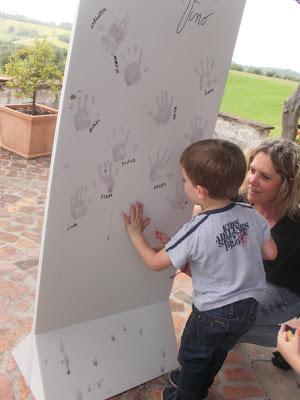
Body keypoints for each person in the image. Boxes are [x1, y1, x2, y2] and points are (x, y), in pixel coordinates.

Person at [122, 139, 277, 400]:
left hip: (213, 313)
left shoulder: (195, 229)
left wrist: (136, 234)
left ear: (200, 191)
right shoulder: (249, 212)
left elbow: (154, 263)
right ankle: (198, 385)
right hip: (249, 307)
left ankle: (187, 393)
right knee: (217, 352)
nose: (182, 184)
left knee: (192, 357)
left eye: (184, 180)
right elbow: (271, 252)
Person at [236, 139, 300, 369]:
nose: (252, 180)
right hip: (254, 280)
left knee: (226, 313)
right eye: (252, 170)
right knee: (218, 314)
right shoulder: (242, 199)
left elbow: (243, 266)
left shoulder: (293, 226)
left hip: (285, 292)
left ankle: (292, 342)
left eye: (265, 176)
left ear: (286, 186)